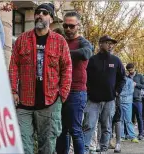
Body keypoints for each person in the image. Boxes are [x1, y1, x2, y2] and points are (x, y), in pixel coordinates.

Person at [9, 3, 72, 154]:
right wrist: (13, 91)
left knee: (48, 146)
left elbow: (67, 69)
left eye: (45, 13)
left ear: (50, 18)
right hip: (24, 102)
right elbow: (13, 67)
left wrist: (61, 95)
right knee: (23, 145)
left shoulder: (59, 41)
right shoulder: (22, 39)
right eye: (38, 12)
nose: (40, 15)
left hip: (50, 102)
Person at [56, 11, 93, 154]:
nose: (68, 29)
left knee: (75, 130)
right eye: (65, 26)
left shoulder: (84, 43)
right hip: (59, 91)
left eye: (71, 26)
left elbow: (86, 53)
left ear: (78, 26)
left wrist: (64, 53)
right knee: (61, 130)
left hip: (76, 92)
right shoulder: (61, 41)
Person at [83, 35, 126, 154]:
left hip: (109, 100)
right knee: (89, 125)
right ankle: (85, 150)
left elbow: (123, 78)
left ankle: (103, 150)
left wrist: (117, 91)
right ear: (100, 44)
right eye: (107, 43)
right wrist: (88, 90)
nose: (110, 45)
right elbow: (85, 77)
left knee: (106, 127)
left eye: (112, 43)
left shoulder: (116, 60)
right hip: (93, 100)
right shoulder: (92, 60)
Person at [126, 63, 144, 140]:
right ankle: (129, 134)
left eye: (131, 70)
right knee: (129, 118)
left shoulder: (140, 76)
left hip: (137, 100)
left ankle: (141, 134)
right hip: (128, 100)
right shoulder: (127, 77)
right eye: (128, 70)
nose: (130, 71)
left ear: (134, 68)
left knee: (139, 117)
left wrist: (136, 84)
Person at [120, 76, 139, 143]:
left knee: (128, 120)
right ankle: (121, 136)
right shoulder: (118, 80)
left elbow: (130, 91)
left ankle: (133, 136)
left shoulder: (130, 81)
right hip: (119, 102)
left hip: (127, 102)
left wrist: (119, 93)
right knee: (120, 120)